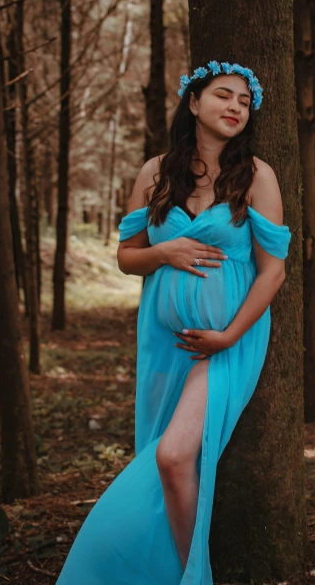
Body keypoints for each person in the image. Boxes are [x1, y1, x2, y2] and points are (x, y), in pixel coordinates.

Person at [55, 60, 292, 585]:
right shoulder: (156, 172)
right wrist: (167, 252)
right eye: (223, 95)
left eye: (244, 102)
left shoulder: (256, 176)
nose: (235, 107)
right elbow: (126, 256)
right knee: (160, 463)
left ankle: (194, 577)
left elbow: (273, 273)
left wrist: (230, 335)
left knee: (172, 455)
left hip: (226, 343)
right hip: (164, 342)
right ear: (193, 101)